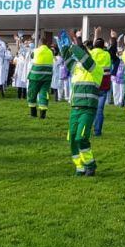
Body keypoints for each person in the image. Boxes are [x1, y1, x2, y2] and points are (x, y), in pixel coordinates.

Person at [62, 31, 99, 176]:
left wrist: (73, 46)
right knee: (72, 138)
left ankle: (90, 164)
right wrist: (64, 48)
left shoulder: (94, 68)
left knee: (81, 137)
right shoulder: (77, 69)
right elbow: (67, 60)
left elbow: (85, 59)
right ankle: (79, 167)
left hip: (88, 109)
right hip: (75, 108)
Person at [27, 35, 54, 118]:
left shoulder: (36, 51)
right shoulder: (50, 52)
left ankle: (33, 113)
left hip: (35, 77)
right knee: (44, 94)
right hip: (47, 77)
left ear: (39, 43)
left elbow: (31, 56)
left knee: (32, 94)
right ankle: (42, 114)